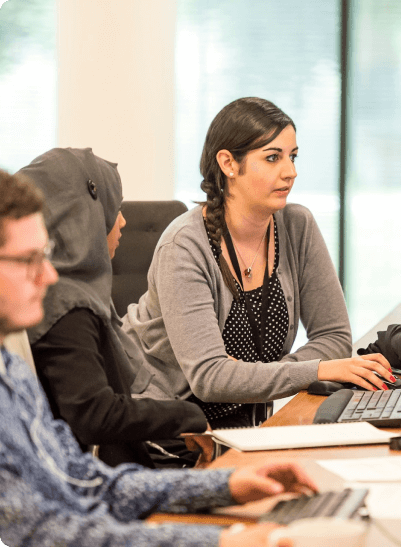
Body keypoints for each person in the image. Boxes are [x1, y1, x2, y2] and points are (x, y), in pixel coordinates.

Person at [0, 167, 316, 547]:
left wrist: (226, 485)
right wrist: (221, 542)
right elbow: (45, 533)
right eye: (28, 259)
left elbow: (84, 480)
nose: (49, 275)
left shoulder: (10, 370)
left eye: (45, 255)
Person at [122, 97, 394, 429]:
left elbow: (334, 337)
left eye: (293, 156)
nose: (290, 172)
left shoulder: (297, 226)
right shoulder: (184, 246)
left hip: (248, 423)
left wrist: (251, 375)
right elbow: (210, 378)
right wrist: (317, 369)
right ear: (228, 163)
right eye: (272, 157)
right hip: (170, 428)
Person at [20, 147, 209, 469]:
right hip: (99, 476)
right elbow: (94, 415)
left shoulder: (66, 294)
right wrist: (188, 416)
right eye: (114, 208)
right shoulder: (67, 307)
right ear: (84, 216)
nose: (122, 221)